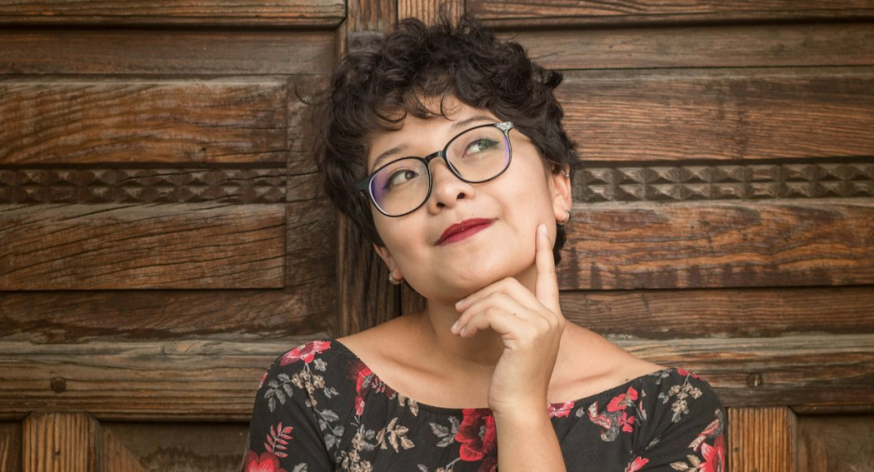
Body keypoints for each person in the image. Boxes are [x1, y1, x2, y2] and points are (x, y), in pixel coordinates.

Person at [242, 16, 726, 472]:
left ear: (559, 185)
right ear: (384, 250)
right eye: (402, 175)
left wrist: (521, 407)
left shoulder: (673, 413)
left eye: (478, 144)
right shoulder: (310, 391)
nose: (447, 189)